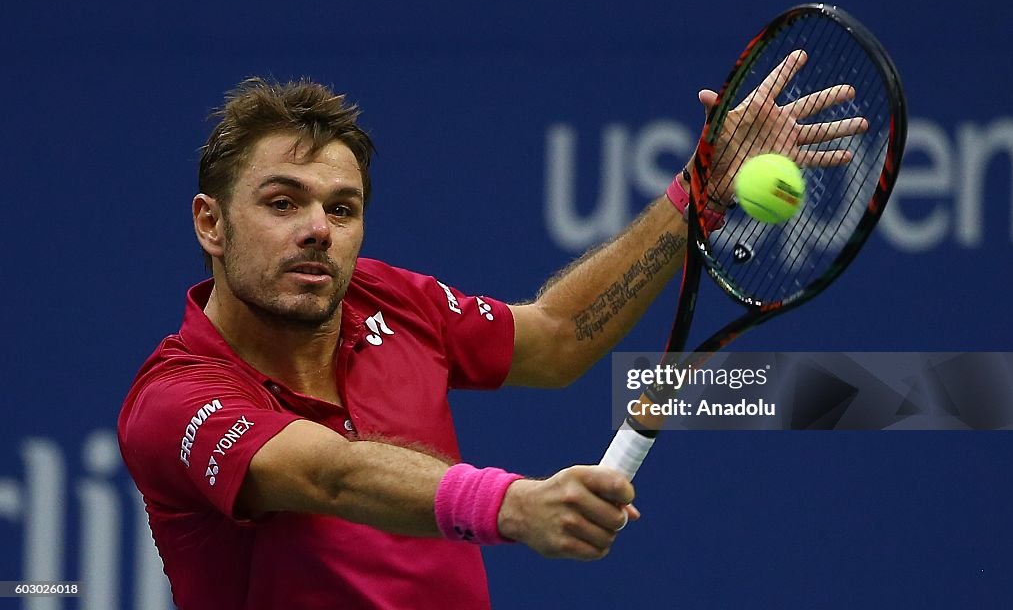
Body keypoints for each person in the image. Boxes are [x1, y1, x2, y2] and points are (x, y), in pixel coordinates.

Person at [119, 53, 862, 609]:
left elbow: (557, 336)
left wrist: (696, 191)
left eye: (341, 209)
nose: (318, 230)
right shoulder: (175, 399)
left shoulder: (387, 298)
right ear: (210, 224)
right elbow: (328, 474)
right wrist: (513, 506)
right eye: (283, 202)